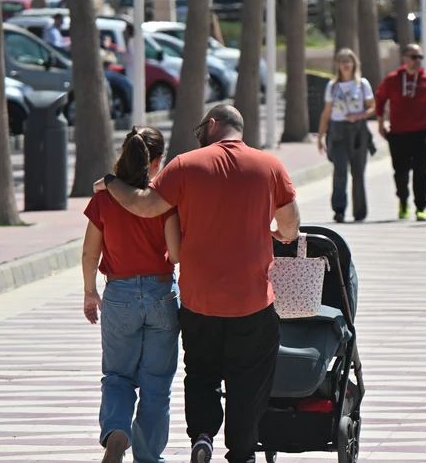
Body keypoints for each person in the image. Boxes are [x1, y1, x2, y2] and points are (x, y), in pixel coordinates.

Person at [94, 105, 302, 463]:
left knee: (202, 373)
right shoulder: (270, 166)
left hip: (198, 300)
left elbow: (145, 207)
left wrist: (111, 183)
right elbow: (290, 230)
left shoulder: (185, 165)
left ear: (214, 125)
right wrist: (268, 230)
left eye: (200, 128)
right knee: (248, 380)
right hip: (251, 302)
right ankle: (240, 453)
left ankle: (202, 437)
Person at [82, 126, 182, 463]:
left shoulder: (103, 198)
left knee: (118, 375)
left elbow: (88, 253)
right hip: (161, 293)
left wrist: (89, 292)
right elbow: (176, 253)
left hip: (119, 293)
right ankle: (148, 456)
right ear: (156, 162)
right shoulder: (163, 201)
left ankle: (116, 432)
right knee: (157, 383)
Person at [376, 44, 426, 221]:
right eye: (414, 57)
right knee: (400, 172)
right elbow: (380, 99)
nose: (417, 61)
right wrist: (380, 123)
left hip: (420, 133)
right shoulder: (392, 80)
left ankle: (421, 207)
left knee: (422, 171)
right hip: (398, 134)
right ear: (404, 58)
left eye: (420, 57)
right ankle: (403, 201)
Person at [317, 49, 376, 223]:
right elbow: (326, 112)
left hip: (357, 131)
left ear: (354, 64)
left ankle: (360, 211)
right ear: (338, 65)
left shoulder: (362, 84)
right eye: (342, 61)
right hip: (337, 131)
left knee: (358, 172)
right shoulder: (332, 86)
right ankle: (339, 210)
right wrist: (321, 136)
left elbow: (372, 107)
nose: (345, 64)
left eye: (348, 61)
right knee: (340, 171)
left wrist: (359, 116)